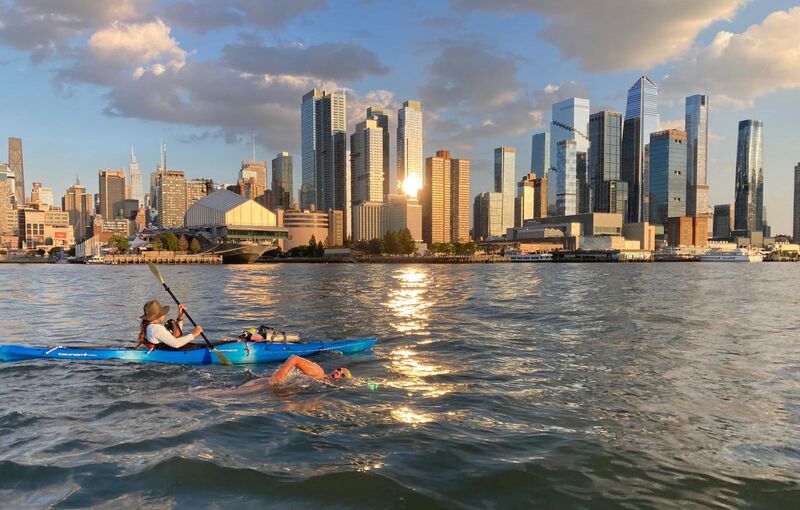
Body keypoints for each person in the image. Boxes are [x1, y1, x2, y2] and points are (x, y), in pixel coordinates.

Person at [224, 355, 351, 394]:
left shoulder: (323, 384)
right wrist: (280, 374)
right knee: (229, 394)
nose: (338, 372)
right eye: (339, 369)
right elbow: (294, 358)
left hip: (270, 386)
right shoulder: (319, 373)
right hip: (270, 383)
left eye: (342, 374)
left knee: (231, 393)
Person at [137, 299, 203, 350]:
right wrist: (194, 334)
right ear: (159, 315)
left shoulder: (150, 326)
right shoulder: (156, 328)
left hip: (164, 350)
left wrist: (180, 317)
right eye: (163, 312)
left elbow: (175, 336)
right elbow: (176, 344)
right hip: (166, 354)